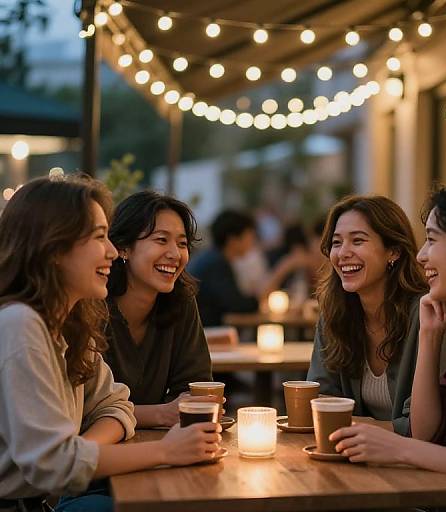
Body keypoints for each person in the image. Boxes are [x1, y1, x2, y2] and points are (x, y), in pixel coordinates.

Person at [0, 176, 221, 512]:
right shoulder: (20, 323)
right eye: (99, 236)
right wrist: (165, 450)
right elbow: (53, 466)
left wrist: (78, 450)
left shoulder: (71, 323)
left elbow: (117, 404)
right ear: (54, 247)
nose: (111, 250)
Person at [330, 179, 446, 508]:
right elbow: (429, 433)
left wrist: (395, 447)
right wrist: (430, 336)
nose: (421, 255)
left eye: (431, 240)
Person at [307, 195, 428, 435]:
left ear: (393, 251)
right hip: (357, 455)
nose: (343, 253)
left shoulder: (427, 314)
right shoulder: (335, 312)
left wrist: (369, 427)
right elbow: (321, 394)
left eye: (358, 241)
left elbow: (430, 424)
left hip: (421, 463)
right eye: (337, 242)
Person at [104, 191, 213, 428]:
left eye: (182, 244)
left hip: (161, 443)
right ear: (123, 247)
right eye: (161, 240)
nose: (175, 254)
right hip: (98, 450)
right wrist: (160, 414)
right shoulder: (93, 305)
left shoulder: (181, 300)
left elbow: (194, 387)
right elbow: (84, 408)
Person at [188, 209, 259, 327]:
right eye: (250, 235)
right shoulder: (216, 264)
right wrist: (258, 300)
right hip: (204, 333)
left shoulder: (212, 257)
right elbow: (237, 305)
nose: (252, 241)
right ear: (233, 239)